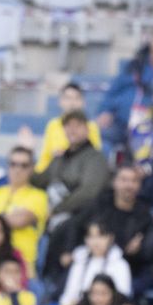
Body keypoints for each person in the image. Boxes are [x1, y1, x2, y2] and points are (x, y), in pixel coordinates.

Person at [34, 110, 112, 276]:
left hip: (78, 223)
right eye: (68, 126)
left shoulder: (95, 158)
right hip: (52, 220)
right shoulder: (59, 158)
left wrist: (57, 210)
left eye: (77, 125)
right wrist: (27, 157)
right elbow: (39, 180)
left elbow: (89, 192)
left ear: (87, 129)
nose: (72, 129)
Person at [0, 147, 49, 270]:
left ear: (32, 168)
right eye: (13, 164)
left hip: (20, 268)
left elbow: (20, 220)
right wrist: (8, 217)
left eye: (24, 165)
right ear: (7, 166)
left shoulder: (39, 196)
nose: (17, 169)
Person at [79, 165, 153, 281]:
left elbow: (150, 253)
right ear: (114, 182)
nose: (129, 185)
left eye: (134, 181)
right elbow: (77, 228)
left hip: (131, 271)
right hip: (92, 266)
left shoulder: (145, 215)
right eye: (124, 180)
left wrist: (135, 253)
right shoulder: (99, 205)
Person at [27, 82, 102, 173]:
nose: (72, 103)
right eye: (68, 98)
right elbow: (45, 157)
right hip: (53, 174)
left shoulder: (91, 126)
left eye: (76, 98)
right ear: (60, 102)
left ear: (83, 102)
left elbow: (94, 158)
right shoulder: (53, 125)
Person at [61, 221, 133, 305]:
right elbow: (69, 294)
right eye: (91, 237)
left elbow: (123, 298)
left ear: (110, 238)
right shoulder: (80, 261)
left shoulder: (120, 265)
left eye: (100, 236)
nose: (95, 242)